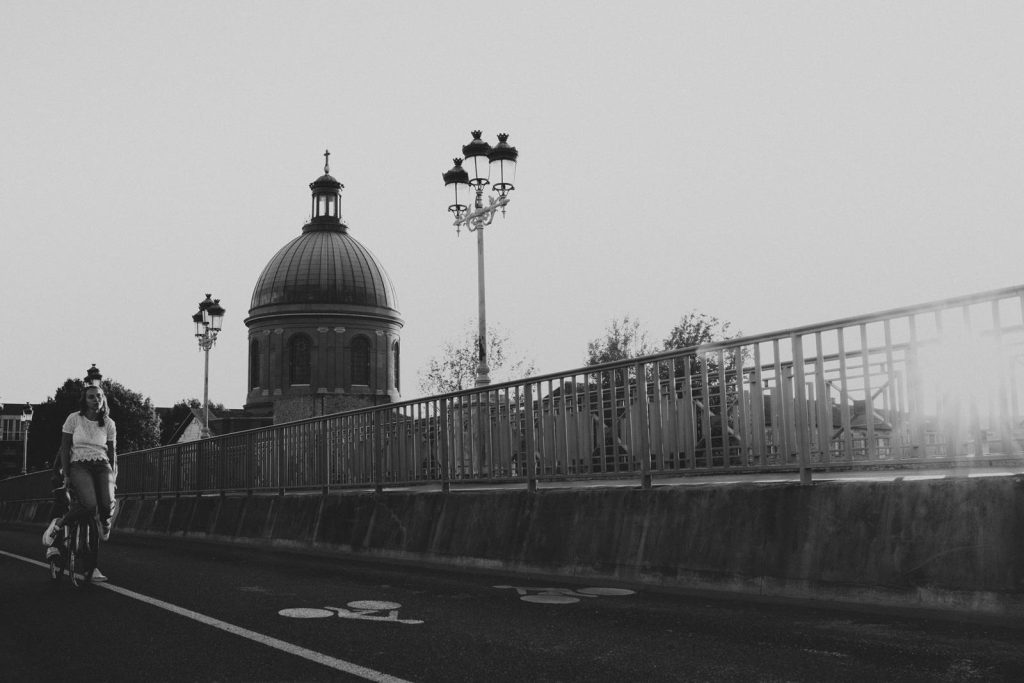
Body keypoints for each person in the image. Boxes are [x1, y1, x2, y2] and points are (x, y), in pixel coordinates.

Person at [42, 384, 117, 576]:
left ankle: (104, 523)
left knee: (107, 504)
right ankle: (59, 526)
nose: (96, 399)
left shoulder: (108, 423)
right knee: (89, 505)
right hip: (78, 466)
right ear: (84, 400)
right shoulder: (73, 419)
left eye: (99, 396)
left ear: (103, 399)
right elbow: (65, 448)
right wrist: (66, 474)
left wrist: (113, 477)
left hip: (102, 465)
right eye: (91, 396)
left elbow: (113, 453)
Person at [43, 454, 108, 582]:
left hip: (86, 476)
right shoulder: (71, 439)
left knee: (91, 512)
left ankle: (91, 567)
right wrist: (64, 475)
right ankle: (54, 543)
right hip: (64, 474)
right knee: (62, 501)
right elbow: (61, 461)